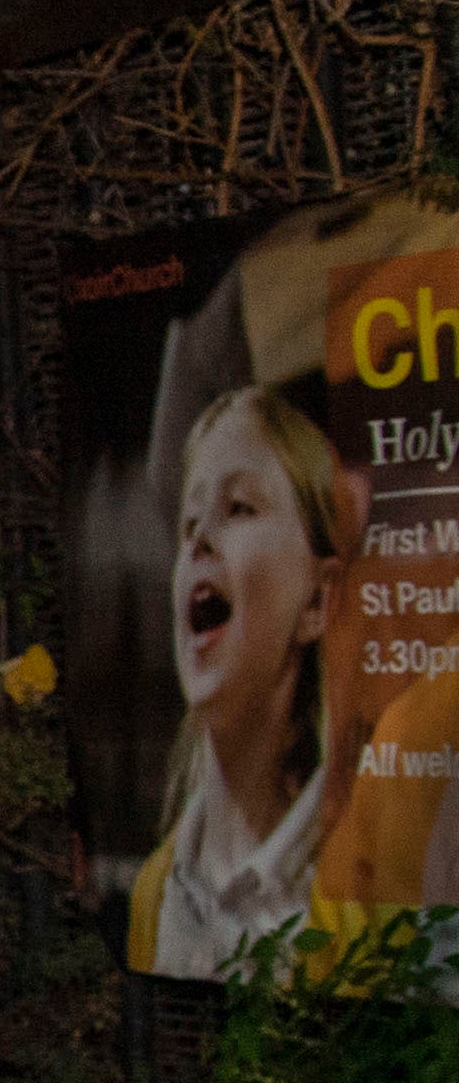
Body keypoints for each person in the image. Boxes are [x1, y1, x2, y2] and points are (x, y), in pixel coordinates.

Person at [131, 380, 350, 976]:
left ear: (317, 603)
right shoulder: (154, 893)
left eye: (239, 508)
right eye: (189, 521)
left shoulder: (360, 885)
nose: (199, 537)